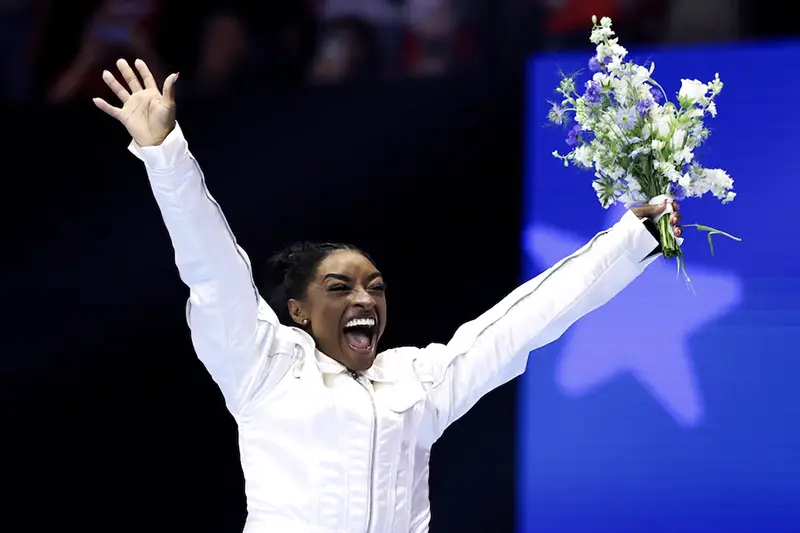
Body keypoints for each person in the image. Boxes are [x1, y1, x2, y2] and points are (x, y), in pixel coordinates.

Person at [93, 59, 683, 533]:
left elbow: (524, 322)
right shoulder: (260, 366)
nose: (365, 299)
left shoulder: (417, 379)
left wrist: (633, 238)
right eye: (340, 287)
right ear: (297, 311)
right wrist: (165, 154)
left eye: (376, 288)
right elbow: (212, 268)